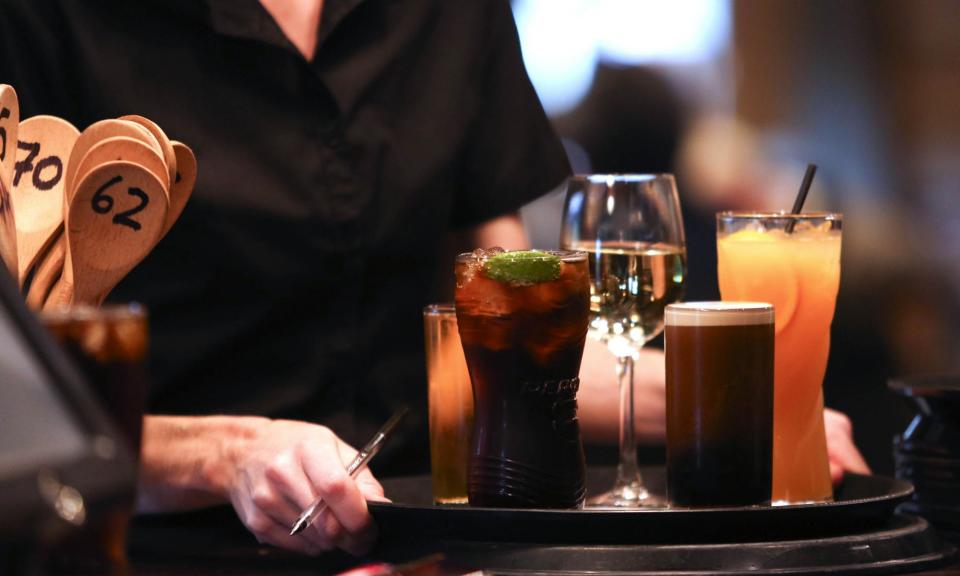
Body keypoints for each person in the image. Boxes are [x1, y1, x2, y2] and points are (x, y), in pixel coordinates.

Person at [0, 0, 868, 558]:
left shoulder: (448, 16)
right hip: (146, 543)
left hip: (429, 537)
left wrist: (734, 410)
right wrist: (226, 454)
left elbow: (517, 346)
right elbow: (17, 416)